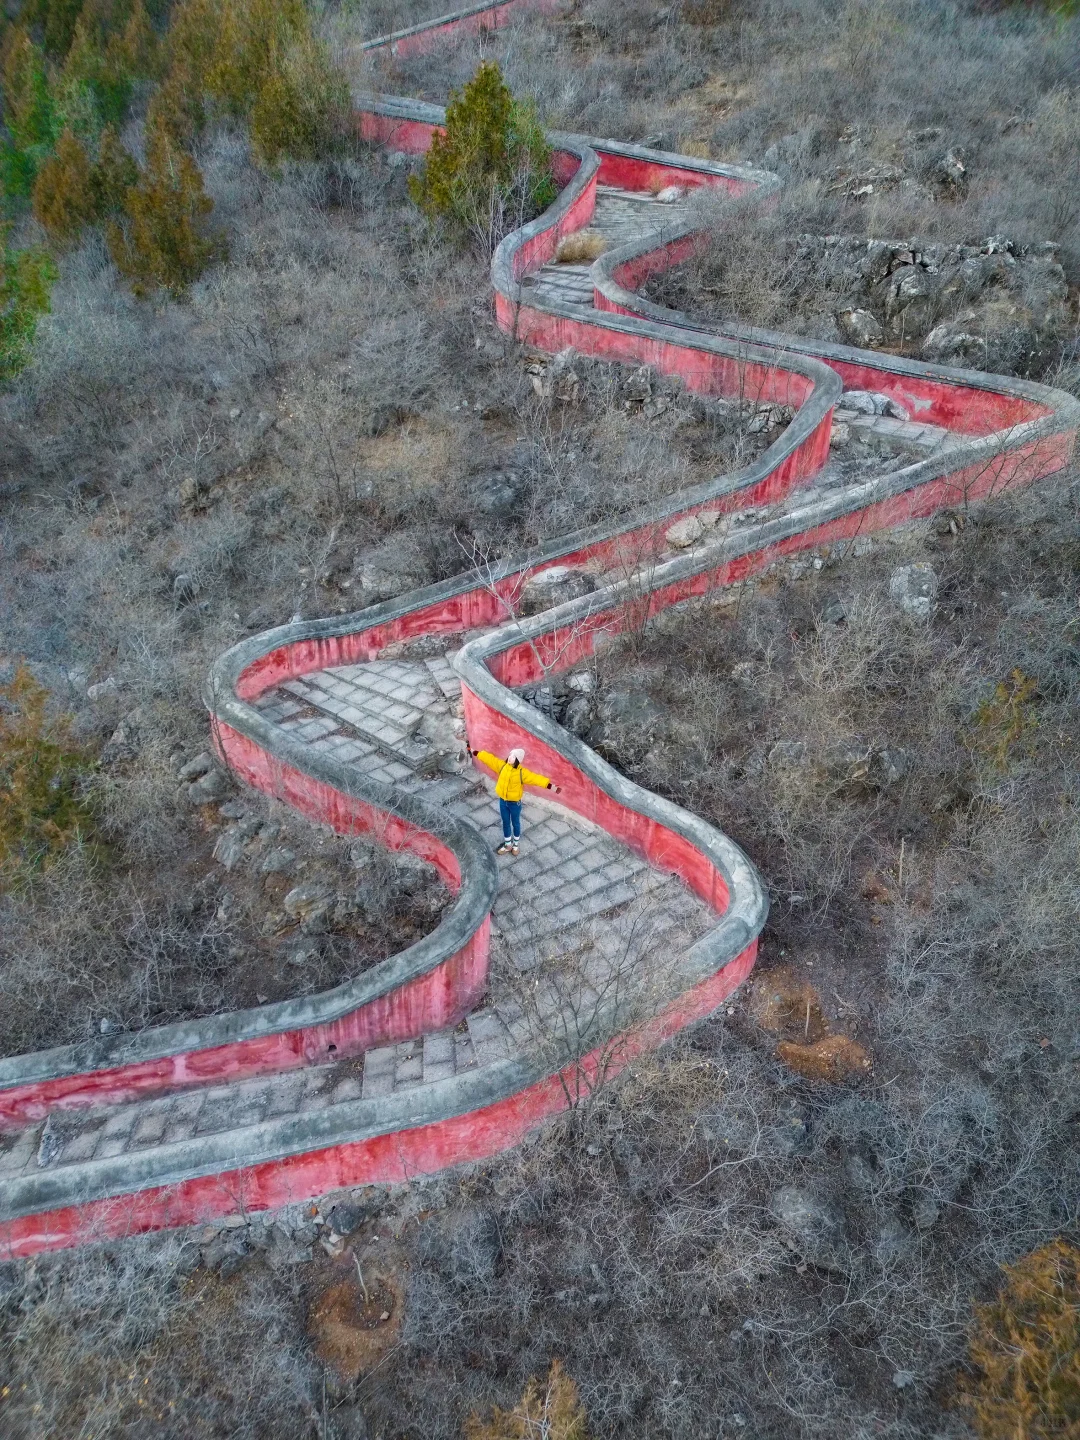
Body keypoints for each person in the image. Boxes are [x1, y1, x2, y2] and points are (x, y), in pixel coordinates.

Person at [467, 745, 560, 856]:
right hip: (503, 801)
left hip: (514, 803)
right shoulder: (502, 767)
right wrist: (473, 751)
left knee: (515, 823)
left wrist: (552, 787)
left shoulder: (522, 773)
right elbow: (489, 759)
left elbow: (536, 779)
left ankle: (515, 845)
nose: (510, 758)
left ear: (518, 760)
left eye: (513, 757)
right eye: (510, 755)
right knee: (506, 823)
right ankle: (508, 845)